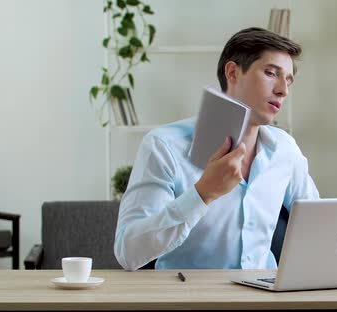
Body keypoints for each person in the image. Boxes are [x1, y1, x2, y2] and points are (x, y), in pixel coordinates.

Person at [114, 27, 319, 271]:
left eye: (288, 80)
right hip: (190, 300)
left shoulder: (285, 149)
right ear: (233, 72)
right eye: (270, 73)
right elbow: (128, 252)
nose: (282, 90)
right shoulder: (164, 146)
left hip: (266, 298)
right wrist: (202, 194)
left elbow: (318, 223)